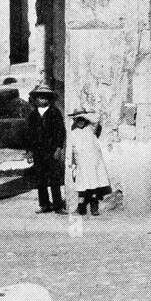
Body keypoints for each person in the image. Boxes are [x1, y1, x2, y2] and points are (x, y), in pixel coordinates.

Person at [26, 80, 66, 214]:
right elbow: (29, 135)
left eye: (45, 96)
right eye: (39, 96)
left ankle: (58, 205)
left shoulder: (55, 113)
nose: (42, 99)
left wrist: (59, 148)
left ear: (49, 99)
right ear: (35, 99)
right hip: (38, 152)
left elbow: (61, 132)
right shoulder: (32, 116)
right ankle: (44, 204)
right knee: (40, 178)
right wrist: (29, 151)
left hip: (51, 151)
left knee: (54, 178)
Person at [68, 110, 111, 216]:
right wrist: (72, 164)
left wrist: (84, 115)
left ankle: (94, 206)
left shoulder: (90, 129)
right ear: (75, 121)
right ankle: (81, 207)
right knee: (81, 187)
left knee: (94, 186)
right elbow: (71, 150)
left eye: (82, 119)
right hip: (81, 164)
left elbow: (96, 119)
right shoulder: (73, 133)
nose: (81, 122)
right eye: (78, 120)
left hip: (93, 163)